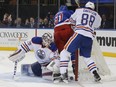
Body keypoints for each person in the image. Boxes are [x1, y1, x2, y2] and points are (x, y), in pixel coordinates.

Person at [59, 1, 102, 83]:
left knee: (64, 52)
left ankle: (63, 74)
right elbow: (97, 25)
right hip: (89, 38)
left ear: (85, 6)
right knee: (87, 58)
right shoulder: (97, 15)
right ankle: (95, 74)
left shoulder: (79, 10)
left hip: (79, 34)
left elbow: (71, 20)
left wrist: (75, 25)